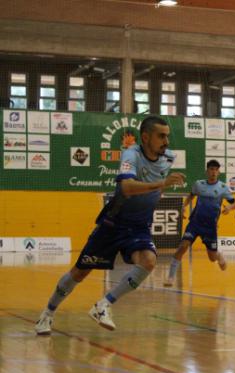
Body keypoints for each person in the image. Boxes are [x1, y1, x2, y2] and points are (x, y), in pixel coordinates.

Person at [35, 116, 186, 335]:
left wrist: (156, 194)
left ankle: (103, 305)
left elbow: (157, 189)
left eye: (167, 136)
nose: (166, 141)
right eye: (161, 136)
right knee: (80, 272)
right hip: (114, 223)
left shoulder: (168, 158)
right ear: (145, 137)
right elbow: (126, 187)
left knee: (148, 261)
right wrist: (161, 184)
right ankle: (46, 314)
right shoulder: (130, 154)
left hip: (139, 226)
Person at [164, 159, 235, 286]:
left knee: (212, 258)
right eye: (211, 169)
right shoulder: (198, 184)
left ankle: (219, 255)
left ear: (218, 172)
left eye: (216, 169)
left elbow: (234, 203)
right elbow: (191, 195)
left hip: (210, 227)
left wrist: (228, 208)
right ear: (207, 171)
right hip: (195, 223)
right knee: (183, 247)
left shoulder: (223, 188)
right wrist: (184, 206)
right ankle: (170, 277)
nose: (213, 172)